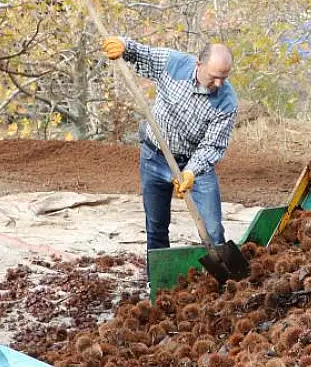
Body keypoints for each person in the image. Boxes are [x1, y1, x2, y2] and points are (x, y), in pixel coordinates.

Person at [101, 37, 237, 257]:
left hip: (195, 165)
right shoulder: (173, 63)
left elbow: (212, 145)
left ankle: (222, 279)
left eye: (224, 78)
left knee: (212, 230)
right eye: (214, 77)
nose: (219, 84)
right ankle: (157, 282)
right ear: (199, 65)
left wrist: (191, 171)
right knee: (156, 227)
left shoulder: (227, 101)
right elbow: (140, 52)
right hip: (154, 157)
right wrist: (122, 44)